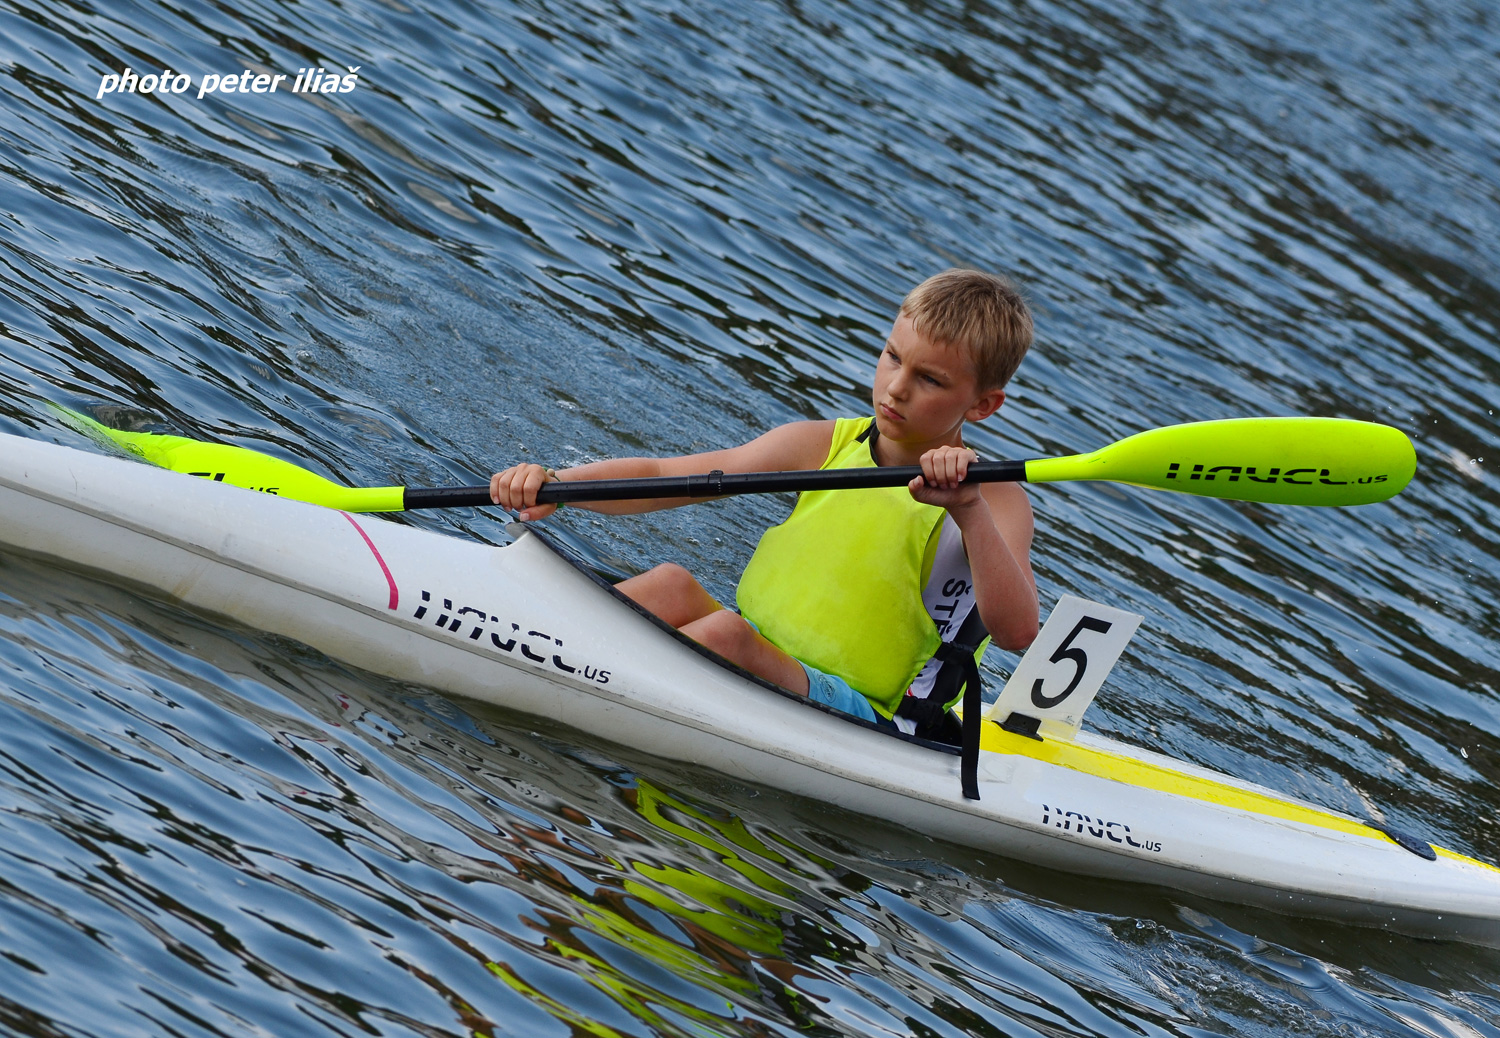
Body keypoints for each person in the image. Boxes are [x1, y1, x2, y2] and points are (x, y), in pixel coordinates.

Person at [491, 268, 1039, 743]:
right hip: (765, 657)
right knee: (671, 583)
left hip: (870, 713)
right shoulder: (827, 444)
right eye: (893, 356)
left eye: (929, 380)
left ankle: (563, 695)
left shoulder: (992, 495)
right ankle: (513, 646)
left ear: (984, 405)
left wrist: (968, 511)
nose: (895, 388)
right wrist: (560, 486)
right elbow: (665, 476)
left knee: (727, 636)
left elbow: (1016, 632)